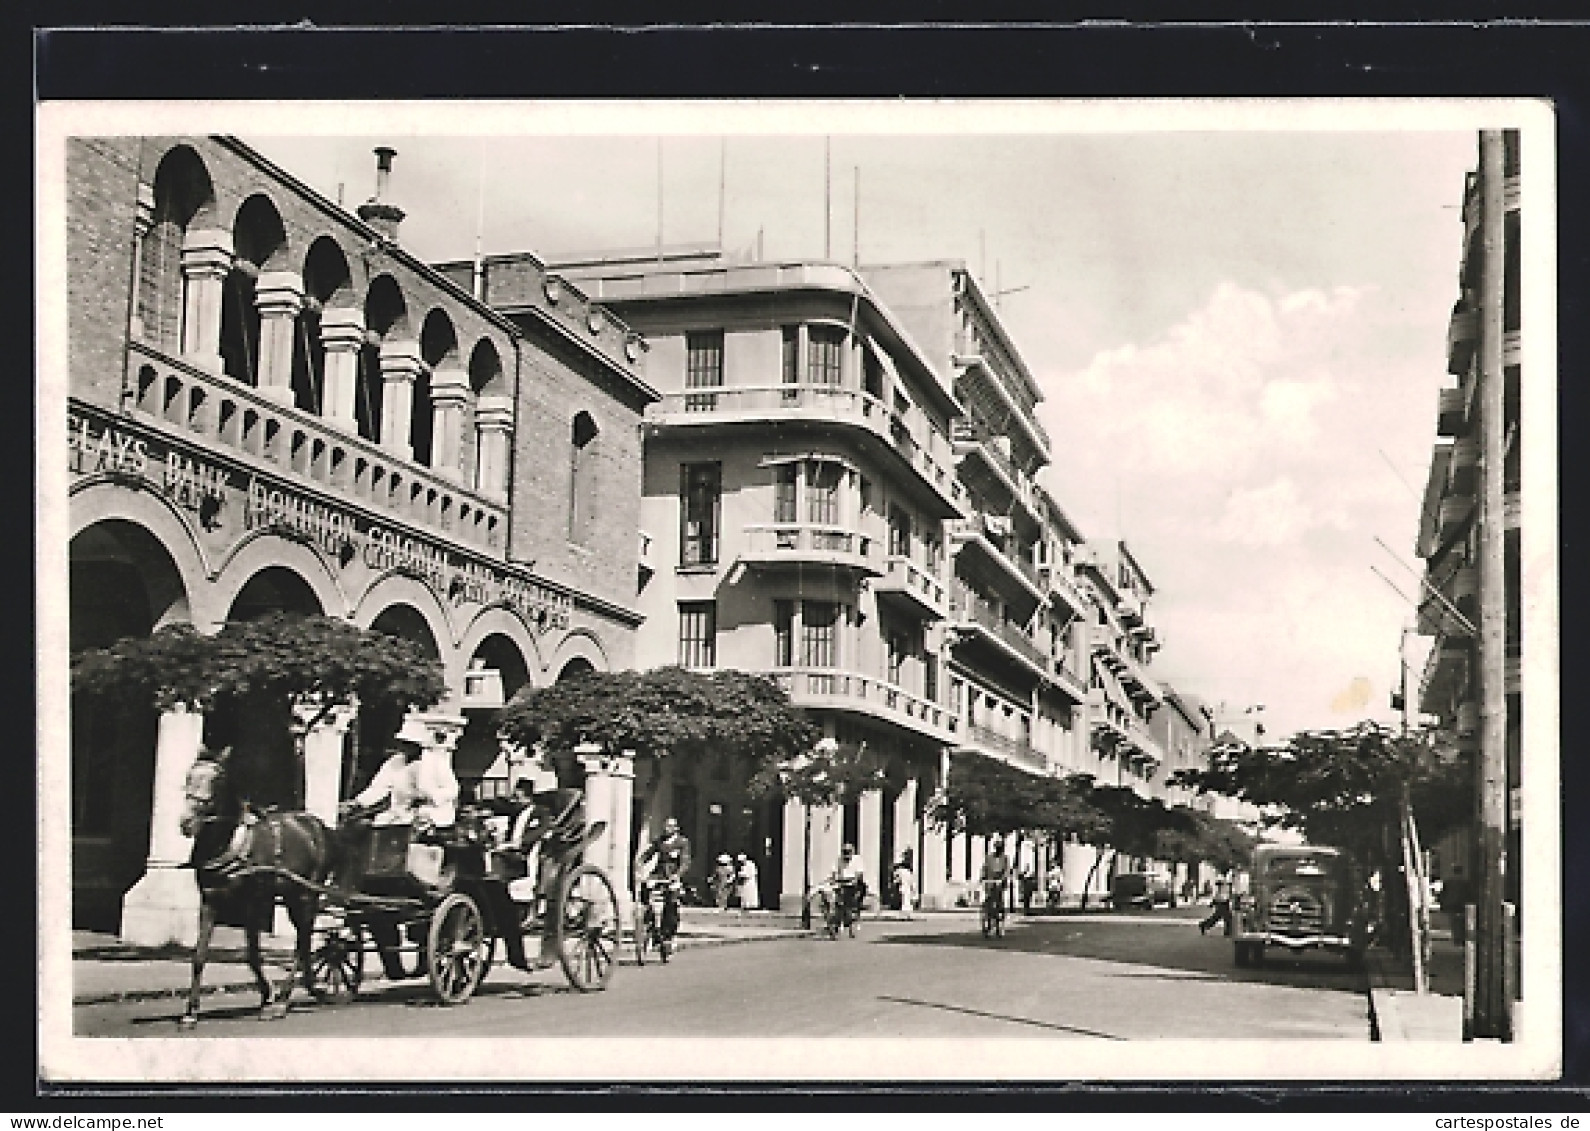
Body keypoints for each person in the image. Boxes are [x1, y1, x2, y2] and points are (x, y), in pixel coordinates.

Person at [635, 817, 692, 941]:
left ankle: (668, 933)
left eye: (671, 826)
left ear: (676, 828)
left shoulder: (682, 842)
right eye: (666, 826)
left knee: (671, 902)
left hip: (673, 875)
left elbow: (685, 861)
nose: (667, 829)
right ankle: (647, 919)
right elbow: (648, 854)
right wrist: (640, 863)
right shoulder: (660, 841)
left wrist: (677, 875)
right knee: (646, 888)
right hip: (659, 874)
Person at [980, 836, 1012, 920]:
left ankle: (1001, 911)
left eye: (1000, 848)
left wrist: (1002, 879)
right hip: (990, 880)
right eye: (997, 847)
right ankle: (987, 911)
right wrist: (982, 877)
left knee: (999, 896)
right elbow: (984, 868)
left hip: (1000, 880)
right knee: (988, 896)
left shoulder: (1005, 858)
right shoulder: (989, 858)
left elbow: (1007, 870)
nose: (998, 850)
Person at [1200, 870, 1235, 935]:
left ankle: (1204, 925)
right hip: (1222, 900)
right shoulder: (1223, 878)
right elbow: (1219, 888)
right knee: (1226, 917)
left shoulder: (1226, 879)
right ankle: (1227, 931)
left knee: (1219, 916)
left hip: (1223, 900)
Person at [891, 849, 917, 920]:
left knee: (904, 901)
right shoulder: (908, 872)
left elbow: (896, 880)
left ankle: (904, 915)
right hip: (906, 888)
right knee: (906, 901)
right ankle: (906, 915)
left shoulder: (900, 871)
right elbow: (912, 883)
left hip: (903, 888)